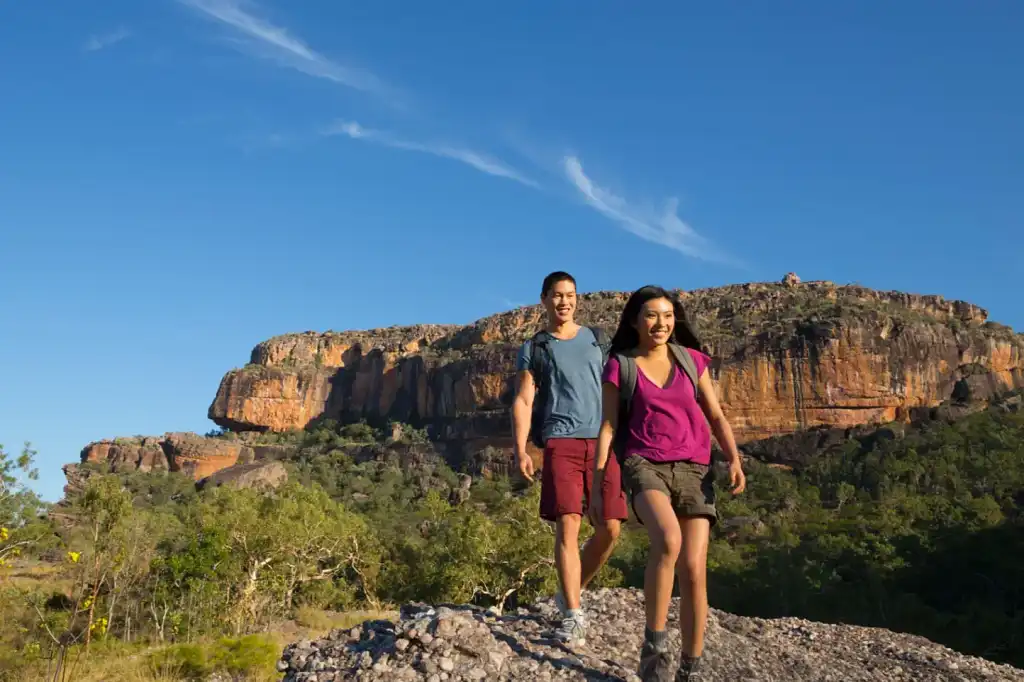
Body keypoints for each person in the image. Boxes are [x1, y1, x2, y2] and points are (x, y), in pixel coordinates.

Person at [589, 285, 746, 682]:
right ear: (635, 321)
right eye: (652, 315)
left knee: (694, 568)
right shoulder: (620, 366)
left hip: (694, 468)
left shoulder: (692, 360)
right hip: (645, 465)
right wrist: (598, 479)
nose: (661, 323)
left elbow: (715, 413)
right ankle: (654, 648)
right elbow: (608, 425)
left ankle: (690, 668)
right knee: (668, 540)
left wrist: (733, 458)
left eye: (668, 315)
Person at [511, 271, 629, 646]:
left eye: (571, 295)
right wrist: (520, 448)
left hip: (602, 441)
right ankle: (574, 614)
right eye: (558, 295)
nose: (565, 301)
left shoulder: (596, 339)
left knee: (610, 527)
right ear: (544, 299)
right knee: (569, 524)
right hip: (560, 440)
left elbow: (618, 386)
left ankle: (569, 591)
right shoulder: (536, 346)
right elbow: (524, 399)